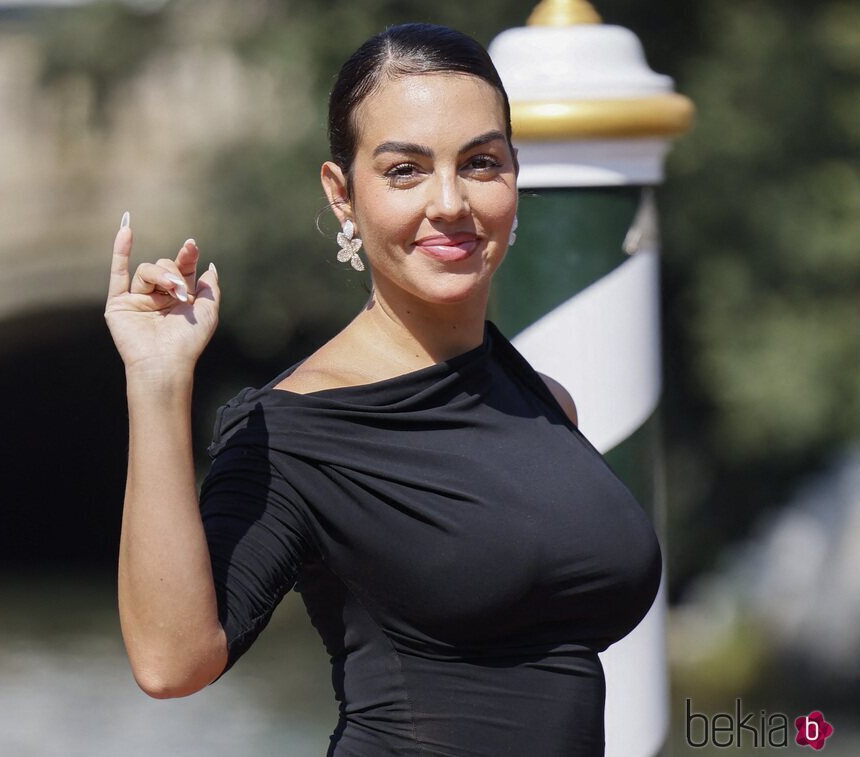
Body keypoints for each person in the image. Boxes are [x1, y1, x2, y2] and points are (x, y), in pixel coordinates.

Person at [104, 22, 662, 756]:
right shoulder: (292, 430)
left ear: (514, 175)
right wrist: (156, 379)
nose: (451, 201)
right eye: (406, 169)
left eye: (481, 163)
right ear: (343, 194)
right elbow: (172, 661)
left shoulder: (546, 403)